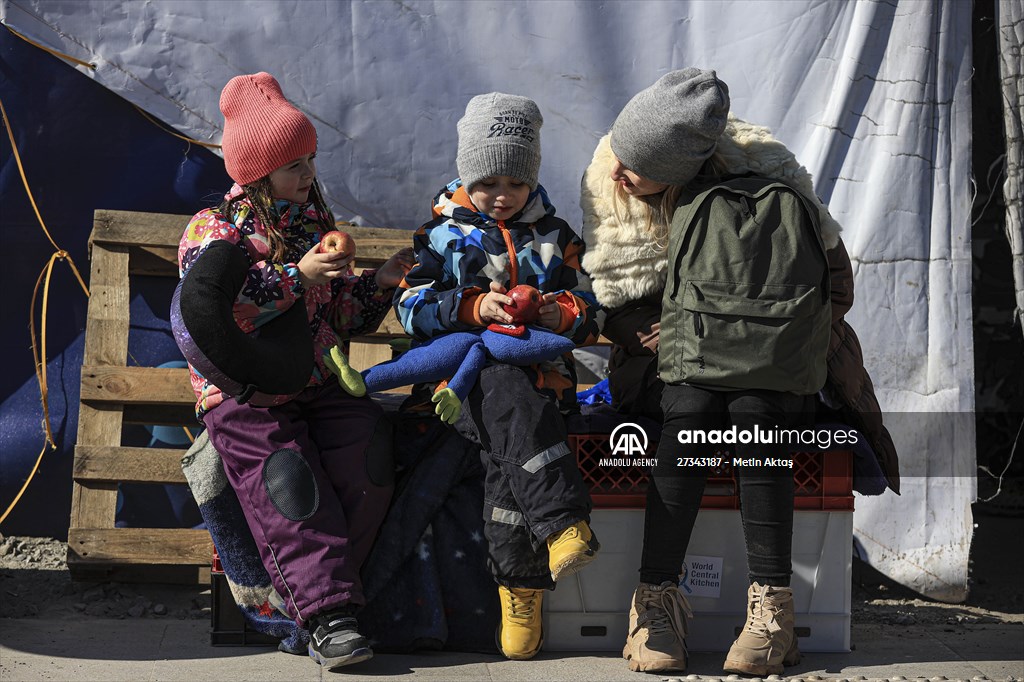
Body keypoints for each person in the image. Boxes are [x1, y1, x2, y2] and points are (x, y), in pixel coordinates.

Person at [580, 68, 900, 675]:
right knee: (695, 412)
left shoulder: (772, 183)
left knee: (757, 415)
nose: (620, 173)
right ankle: (653, 604)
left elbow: (835, 287)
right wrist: (634, 330)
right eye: (621, 156)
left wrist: (775, 339)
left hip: (772, 363)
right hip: (666, 361)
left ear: (678, 170)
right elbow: (605, 296)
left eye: (637, 166)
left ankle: (771, 612)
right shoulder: (609, 183)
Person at [176, 72, 414, 670]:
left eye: (310, 159)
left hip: (314, 381)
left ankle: (313, 603)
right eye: (293, 164)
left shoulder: (307, 224)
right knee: (290, 483)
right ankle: (330, 616)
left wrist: (376, 285)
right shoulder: (216, 230)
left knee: (370, 455)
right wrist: (296, 277)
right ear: (257, 171)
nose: (308, 173)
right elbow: (216, 311)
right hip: (244, 392)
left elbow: (336, 312)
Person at [393, 92, 604, 660]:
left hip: (545, 391)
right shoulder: (441, 236)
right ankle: (562, 523)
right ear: (467, 177)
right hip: (457, 392)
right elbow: (409, 304)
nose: (501, 196)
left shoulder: (558, 237)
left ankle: (522, 590)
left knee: (506, 470)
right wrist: (470, 308)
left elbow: (591, 308)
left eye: (514, 182)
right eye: (488, 183)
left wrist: (551, 310)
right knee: (503, 385)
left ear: (531, 179)